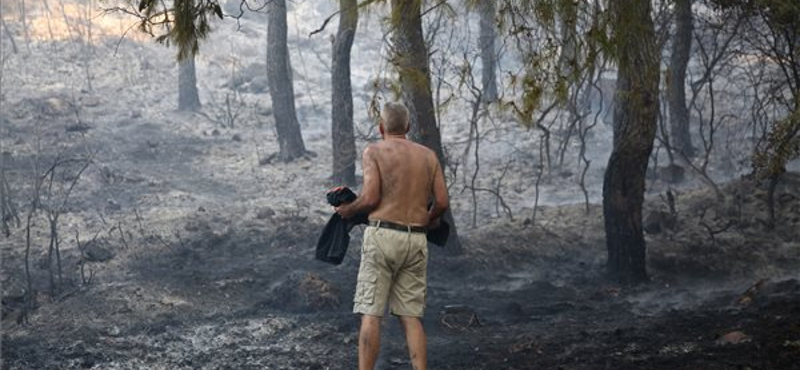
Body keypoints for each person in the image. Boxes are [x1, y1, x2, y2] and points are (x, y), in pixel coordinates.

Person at [334, 102, 448, 370]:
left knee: (372, 314)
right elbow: (442, 202)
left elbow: (371, 197)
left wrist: (348, 210)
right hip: (416, 240)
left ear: (381, 127)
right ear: (408, 127)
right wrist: (426, 219)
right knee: (411, 317)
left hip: (382, 237)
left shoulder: (374, 151)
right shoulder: (428, 156)